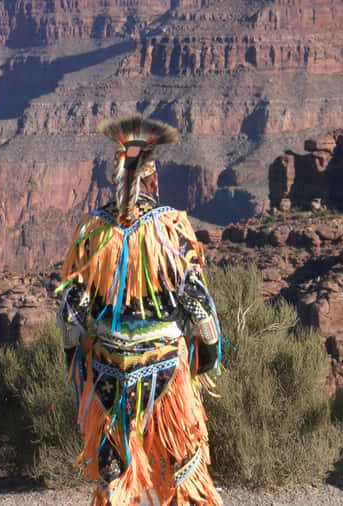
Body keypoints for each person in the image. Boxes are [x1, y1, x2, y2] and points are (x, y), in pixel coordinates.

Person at [56, 115, 224, 506]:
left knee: (112, 473)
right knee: (184, 461)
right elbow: (197, 302)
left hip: (107, 367)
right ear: (152, 179)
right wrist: (209, 357)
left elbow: (70, 309)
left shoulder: (92, 231)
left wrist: (75, 363)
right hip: (165, 364)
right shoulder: (171, 227)